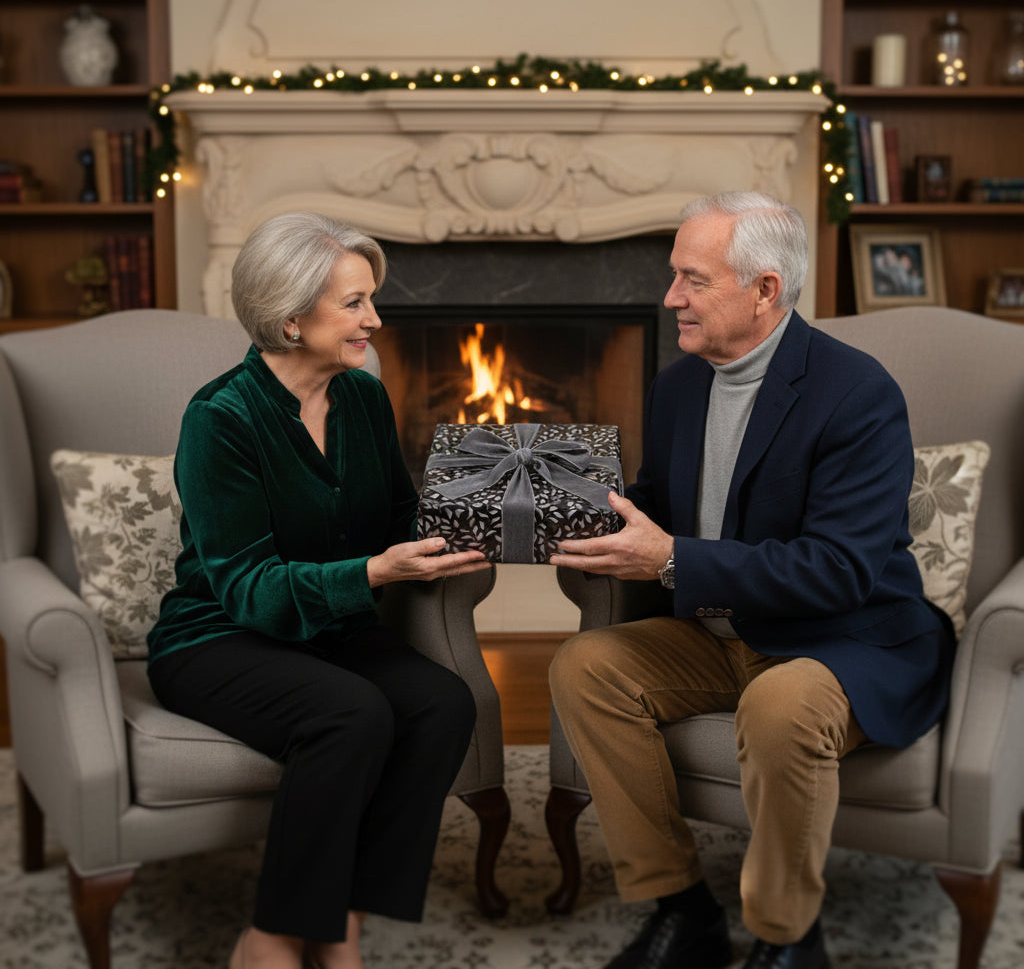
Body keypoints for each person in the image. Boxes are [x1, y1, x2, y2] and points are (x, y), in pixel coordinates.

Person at [548, 191, 955, 969]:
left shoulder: (857, 394)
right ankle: (679, 907)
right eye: (674, 276)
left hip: (846, 639)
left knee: (781, 703)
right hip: (720, 629)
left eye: (692, 280)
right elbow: (660, 509)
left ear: (765, 289)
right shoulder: (678, 385)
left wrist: (668, 559)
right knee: (584, 666)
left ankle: (785, 935)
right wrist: (548, 512)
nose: (671, 298)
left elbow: (838, 571)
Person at [147, 212, 491, 969]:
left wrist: (484, 520)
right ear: (291, 318)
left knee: (444, 703)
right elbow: (244, 587)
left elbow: (399, 513)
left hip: (331, 629)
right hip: (218, 636)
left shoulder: (363, 397)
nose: (375, 318)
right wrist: (374, 574)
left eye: (370, 299)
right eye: (354, 304)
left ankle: (341, 922)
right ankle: (269, 936)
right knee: (351, 712)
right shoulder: (222, 417)